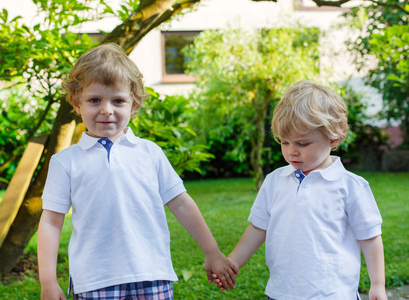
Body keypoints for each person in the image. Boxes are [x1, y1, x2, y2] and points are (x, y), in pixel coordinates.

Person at [37, 43, 238, 300]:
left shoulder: (150, 153)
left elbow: (181, 204)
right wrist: (48, 281)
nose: (106, 109)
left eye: (118, 100)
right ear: (77, 103)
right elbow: (52, 222)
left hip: (152, 274)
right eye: (95, 100)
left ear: (134, 105)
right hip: (95, 280)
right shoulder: (65, 162)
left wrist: (211, 251)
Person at [213, 80, 387, 299]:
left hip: (333, 293)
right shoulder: (275, 181)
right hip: (281, 292)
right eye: (284, 142)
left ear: (334, 138)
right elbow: (258, 227)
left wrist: (378, 284)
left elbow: (370, 237)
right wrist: (233, 262)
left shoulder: (350, 186)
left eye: (303, 144)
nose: (292, 152)